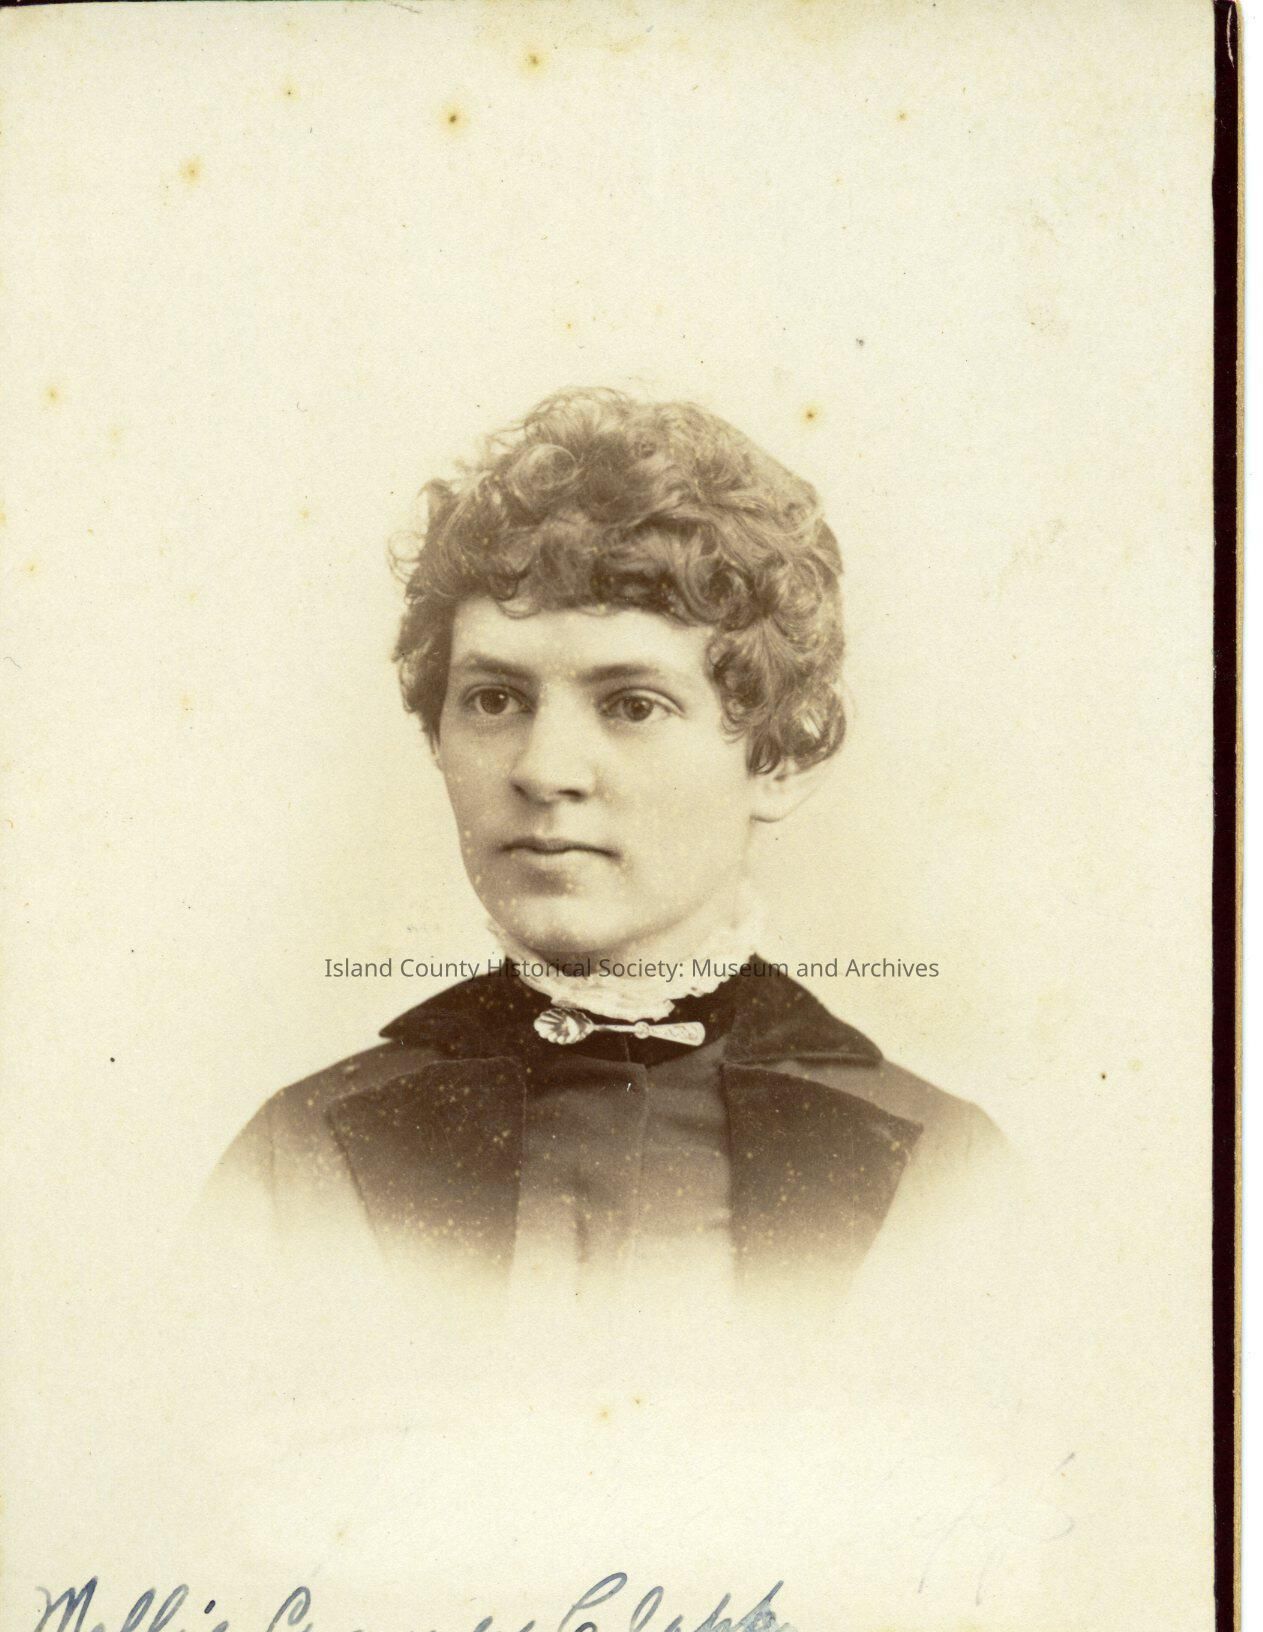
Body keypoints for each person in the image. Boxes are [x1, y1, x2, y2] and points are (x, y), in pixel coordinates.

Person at [206, 388, 1002, 1305]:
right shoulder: (300, 1155)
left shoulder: (941, 1173)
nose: (544, 770)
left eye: (632, 705)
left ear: (781, 756)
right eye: (494, 699)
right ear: (436, 733)